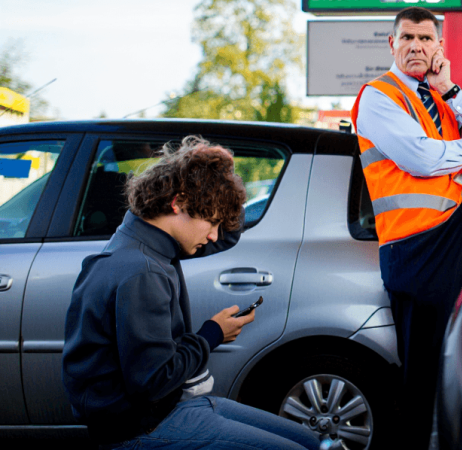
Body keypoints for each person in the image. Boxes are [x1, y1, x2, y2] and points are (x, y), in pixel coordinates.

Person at [62, 136, 321, 450]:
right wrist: (212, 334)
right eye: (211, 221)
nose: (214, 235)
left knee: (308, 440)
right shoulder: (143, 271)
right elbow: (153, 382)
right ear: (178, 203)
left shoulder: (144, 238)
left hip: (166, 407)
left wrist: (220, 178)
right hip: (140, 425)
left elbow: (226, 235)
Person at [351, 6, 462, 447]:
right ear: (392, 44)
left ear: (439, 46)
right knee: (422, 378)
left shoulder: (442, 95)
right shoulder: (378, 96)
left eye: (425, 39)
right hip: (415, 244)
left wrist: (451, 90)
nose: (416, 47)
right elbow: (419, 157)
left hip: (451, 231)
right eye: (407, 38)